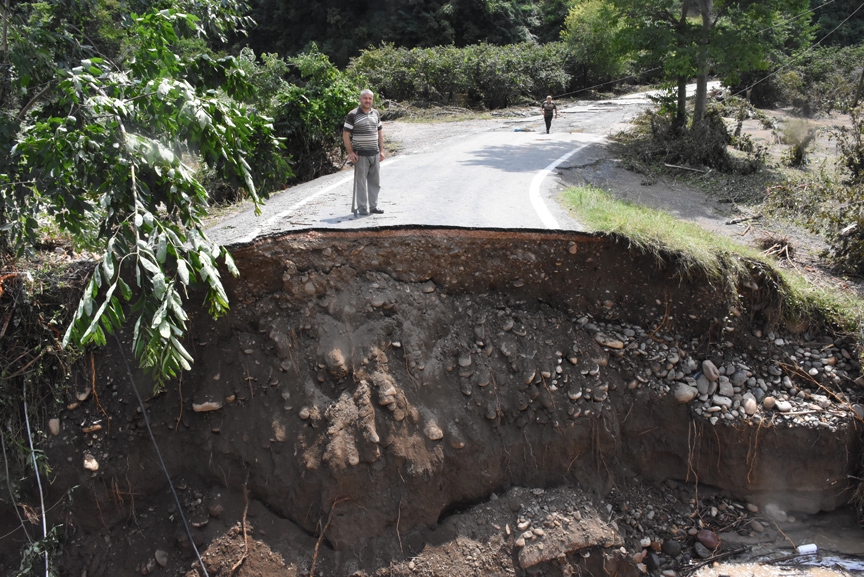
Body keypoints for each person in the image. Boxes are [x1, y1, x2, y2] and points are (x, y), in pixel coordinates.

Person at [343, 89, 385, 216]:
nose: (367, 101)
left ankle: (373, 206)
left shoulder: (375, 113)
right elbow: (345, 134)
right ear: (360, 99)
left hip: (375, 153)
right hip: (360, 154)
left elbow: (380, 133)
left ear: (372, 100)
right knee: (361, 182)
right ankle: (362, 207)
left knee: (375, 182)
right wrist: (351, 152)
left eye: (370, 98)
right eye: (365, 98)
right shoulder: (353, 114)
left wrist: (382, 151)